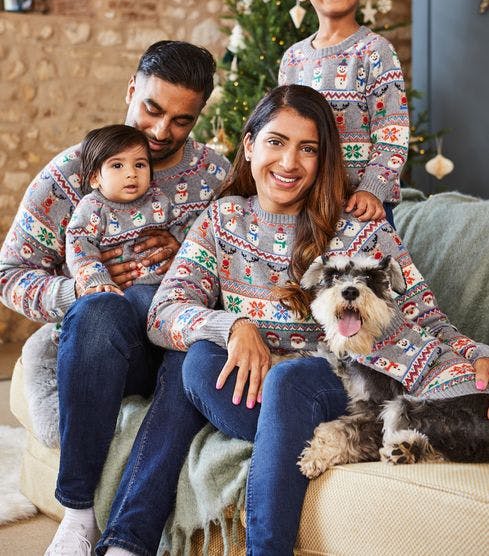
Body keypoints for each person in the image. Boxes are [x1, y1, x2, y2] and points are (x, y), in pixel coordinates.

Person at [144, 84, 489, 556]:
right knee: (198, 362)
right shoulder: (223, 219)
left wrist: (478, 356)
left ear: (323, 158)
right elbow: (162, 313)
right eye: (276, 142)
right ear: (249, 145)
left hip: (334, 381)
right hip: (259, 386)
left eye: (308, 149)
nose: (289, 163)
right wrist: (233, 327)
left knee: (291, 380)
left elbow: (425, 313)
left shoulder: (360, 225)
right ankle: (295, 434)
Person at [0, 40, 230, 555]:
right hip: (104, 348)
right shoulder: (69, 174)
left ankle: (129, 540)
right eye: (151, 108)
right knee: (101, 310)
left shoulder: (216, 176)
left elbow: (241, 272)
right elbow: (10, 274)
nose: (160, 131)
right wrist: (82, 289)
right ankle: (78, 515)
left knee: (192, 350)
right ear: (131, 89)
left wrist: (191, 257)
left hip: (175, 341)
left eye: (181, 120)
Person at [278, 0, 410, 226]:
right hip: (306, 203)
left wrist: (372, 190)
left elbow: (393, 132)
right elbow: (284, 132)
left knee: (365, 274)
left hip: (361, 205)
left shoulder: (375, 51)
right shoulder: (293, 59)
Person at [66, 124, 175, 297]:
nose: (131, 173)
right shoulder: (92, 208)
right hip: (119, 290)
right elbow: (80, 247)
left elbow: (184, 232)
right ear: (94, 178)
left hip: (167, 287)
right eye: (117, 166)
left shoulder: (159, 200)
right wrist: (98, 281)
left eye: (140, 165)